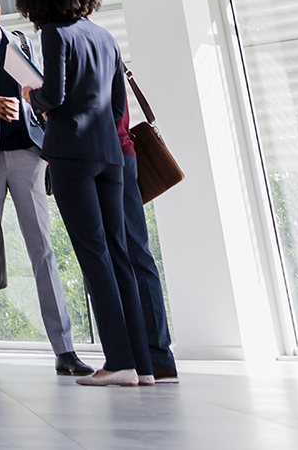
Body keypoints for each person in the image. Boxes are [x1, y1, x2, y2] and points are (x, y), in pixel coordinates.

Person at [17, 0, 153, 387]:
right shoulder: (104, 35)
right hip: (111, 155)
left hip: (72, 156)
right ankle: (142, 366)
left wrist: (31, 94)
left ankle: (117, 362)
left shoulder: (54, 34)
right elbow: (117, 108)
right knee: (120, 255)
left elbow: (53, 96)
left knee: (93, 255)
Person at [0, 0, 93, 377]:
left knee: (43, 252)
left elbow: (42, 89)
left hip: (29, 155)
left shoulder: (20, 42)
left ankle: (64, 350)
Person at [117, 98, 179, 383]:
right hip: (123, 156)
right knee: (138, 255)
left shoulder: (82, 53)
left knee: (127, 258)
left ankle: (147, 356)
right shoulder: (110, 53)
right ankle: (156, 356)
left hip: (107, 158)